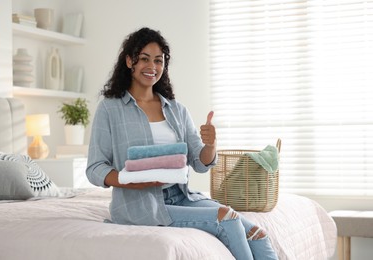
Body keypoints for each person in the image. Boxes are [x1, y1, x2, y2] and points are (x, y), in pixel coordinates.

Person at [86, 27, 278, 260]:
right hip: (141, 204)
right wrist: (129, 180)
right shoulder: (110, 108)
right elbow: (95, 168)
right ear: (129, 61)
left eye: (159, 61)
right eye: (144, 59)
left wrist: (211, 145)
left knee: (258, 234)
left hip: (182, 196)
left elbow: (200, 162)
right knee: (227, 218)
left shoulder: (176, 110)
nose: (152, 67)